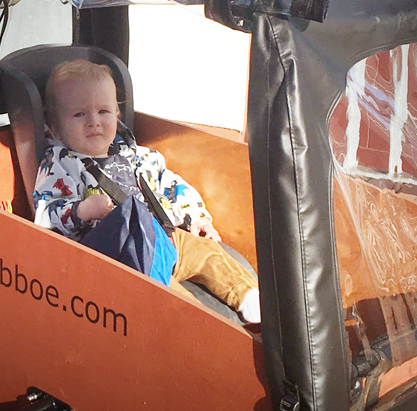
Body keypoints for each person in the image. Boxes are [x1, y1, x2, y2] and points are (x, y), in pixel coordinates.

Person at [33, 60, 261, 323]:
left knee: (209, 254)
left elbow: (171, 184)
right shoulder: (59, 165)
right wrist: (81, 210)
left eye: (103, 111)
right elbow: (45, 211)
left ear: (117, 117)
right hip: (123, 257)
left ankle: (247, 296)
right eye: (79, 115)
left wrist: (196, 217)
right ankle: (201, 324)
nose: (94, 122)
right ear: (55, 126)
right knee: (166, 295)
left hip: (168, 236)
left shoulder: (137, 155)